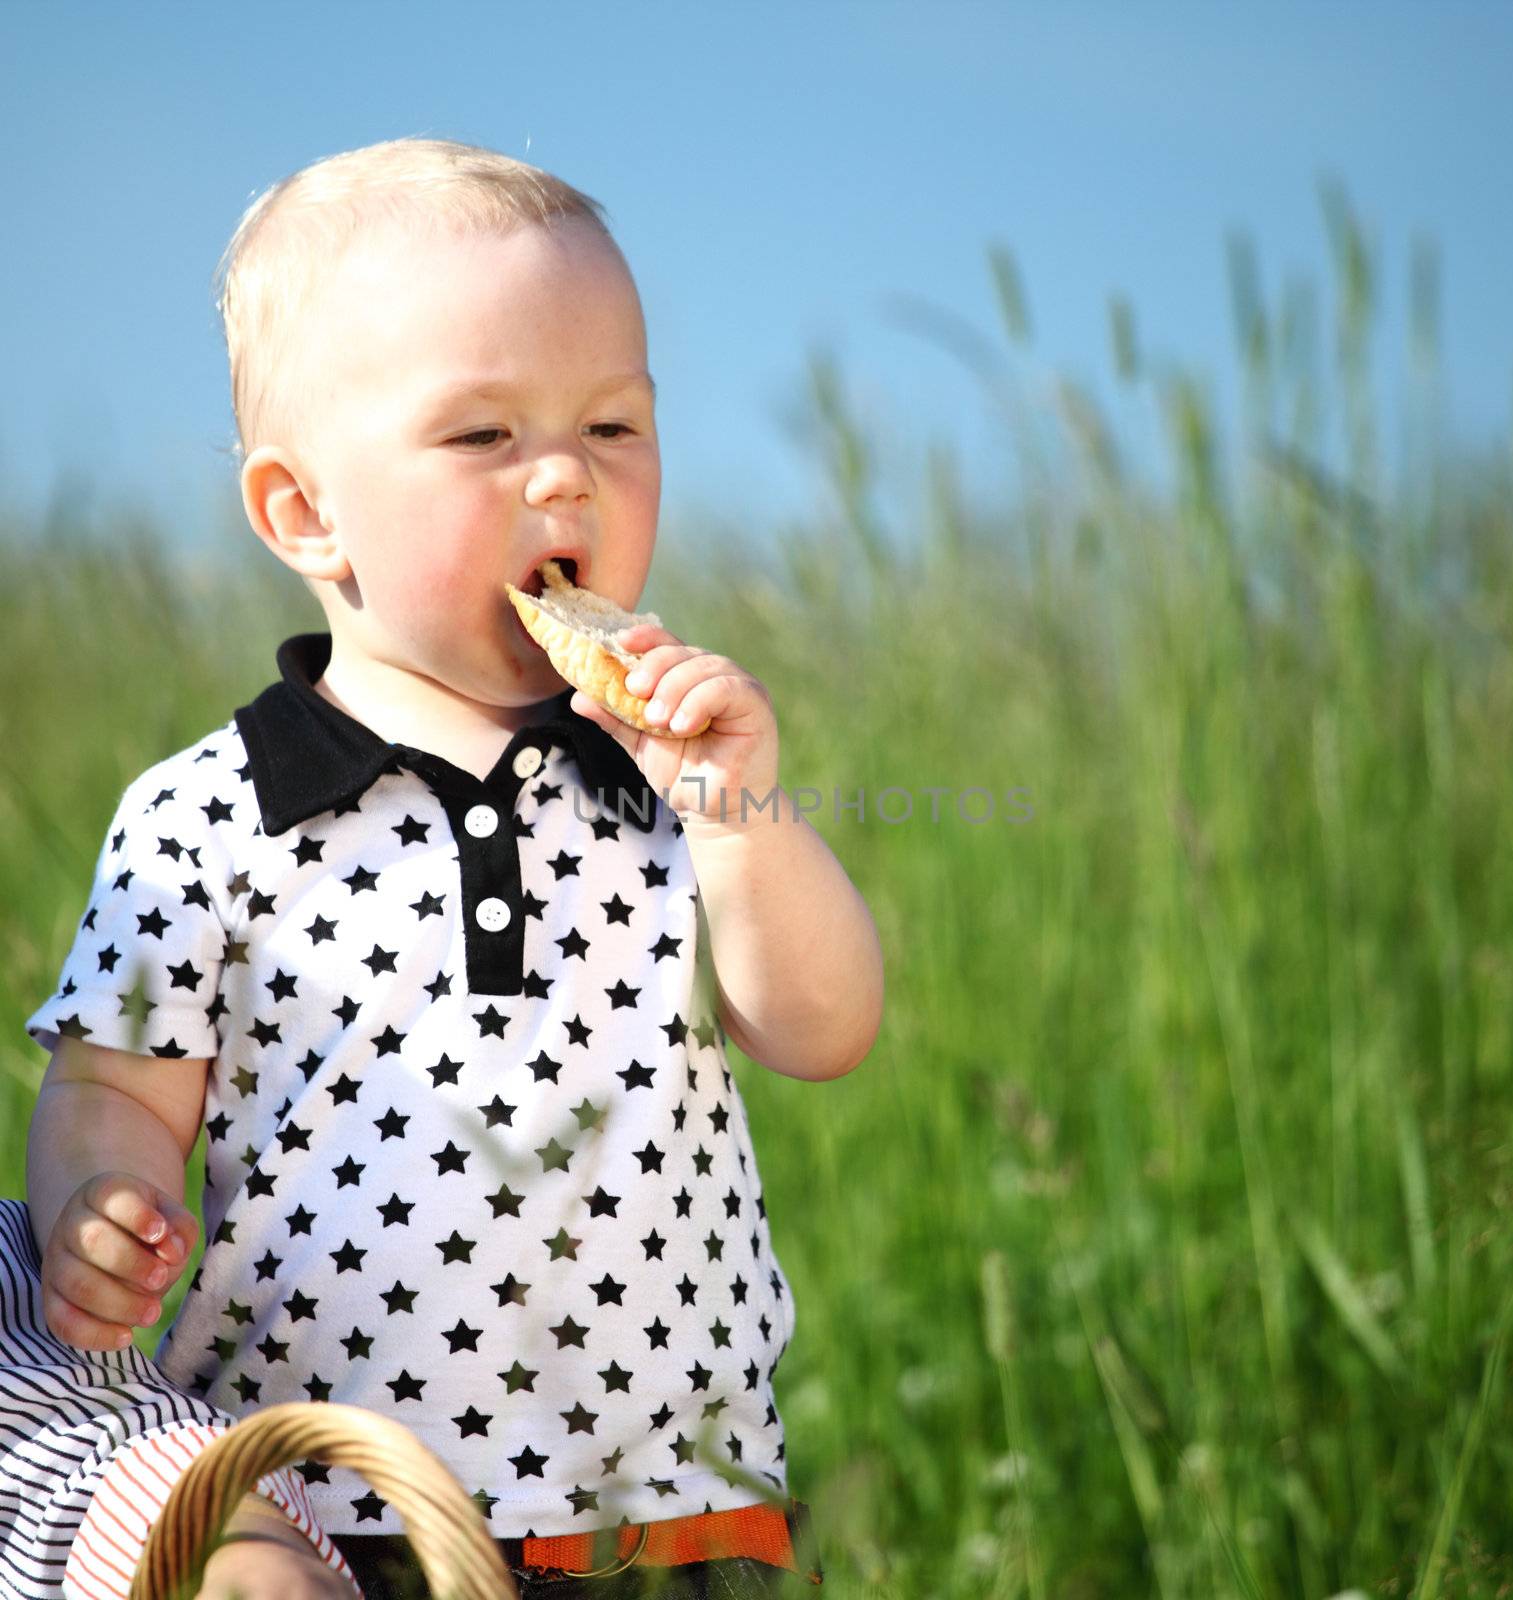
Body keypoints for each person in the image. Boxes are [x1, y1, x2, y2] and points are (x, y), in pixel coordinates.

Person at [18, 135, 881, 1597]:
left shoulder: (664, 774)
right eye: (484, 439)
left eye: (615, 429)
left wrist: (741, 812)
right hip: (342, 1511)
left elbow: (823, 1027)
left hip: (671, 1502)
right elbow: (111, 1087)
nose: (564, 479)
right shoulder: (210, 814)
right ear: (305, 513)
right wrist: (99, 1207)